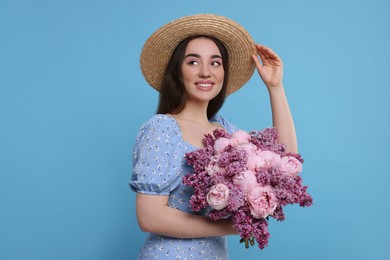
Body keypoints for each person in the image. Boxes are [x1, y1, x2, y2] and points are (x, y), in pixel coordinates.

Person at [130, 14, 297, 259]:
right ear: (177, 71)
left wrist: (275, 87)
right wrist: (230, 226)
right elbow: (149, 217)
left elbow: (285, 164)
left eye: (215, 62)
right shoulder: (163, 128)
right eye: (193, 62)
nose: (206, 72)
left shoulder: (225, 131)